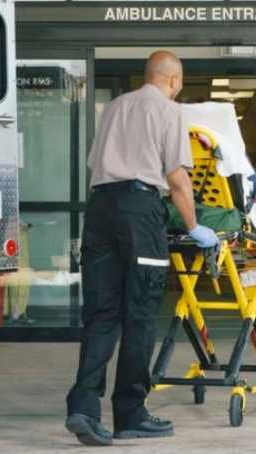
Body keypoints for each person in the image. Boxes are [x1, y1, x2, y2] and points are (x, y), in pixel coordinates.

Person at [64, 50, 218, 447]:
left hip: (100, 209)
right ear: (173, 79)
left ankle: (83, 406)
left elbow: (92, 163)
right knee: (141, 313)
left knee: (101, 314)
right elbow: (177, 176)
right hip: (139, 209)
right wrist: (194, 225)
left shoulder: (115, 107)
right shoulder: (168, 110)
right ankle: (130, 413)